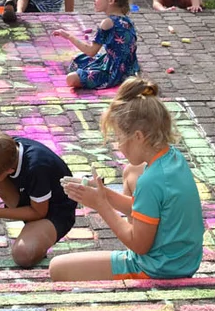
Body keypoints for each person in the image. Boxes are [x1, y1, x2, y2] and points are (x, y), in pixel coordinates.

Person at [49, 78, 204, 282]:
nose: (119, 146)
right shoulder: (173, 158)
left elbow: (138, 245)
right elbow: (148, 209)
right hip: (181, 261)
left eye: (120, 137)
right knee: (131, 171)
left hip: (158, 269)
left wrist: (100, 204)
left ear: (139, 136)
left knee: (57, 268)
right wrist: (103, 193)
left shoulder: (150, 181)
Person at [0, 132, 77, 266]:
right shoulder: (3, 146)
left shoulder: (36, 167)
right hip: (28, 197)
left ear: (9, 171)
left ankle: (37, 240)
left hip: (53, 214)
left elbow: (38, 212)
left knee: (23, 255)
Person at [54, 0, 139, 89]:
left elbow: (91, 51)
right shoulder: (127, 20)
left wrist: (69, 36)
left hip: (114, 71)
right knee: (80, 60)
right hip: (129, 67)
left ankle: (110, 79)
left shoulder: (107, 23)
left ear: (111, 0)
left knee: (71, 78)